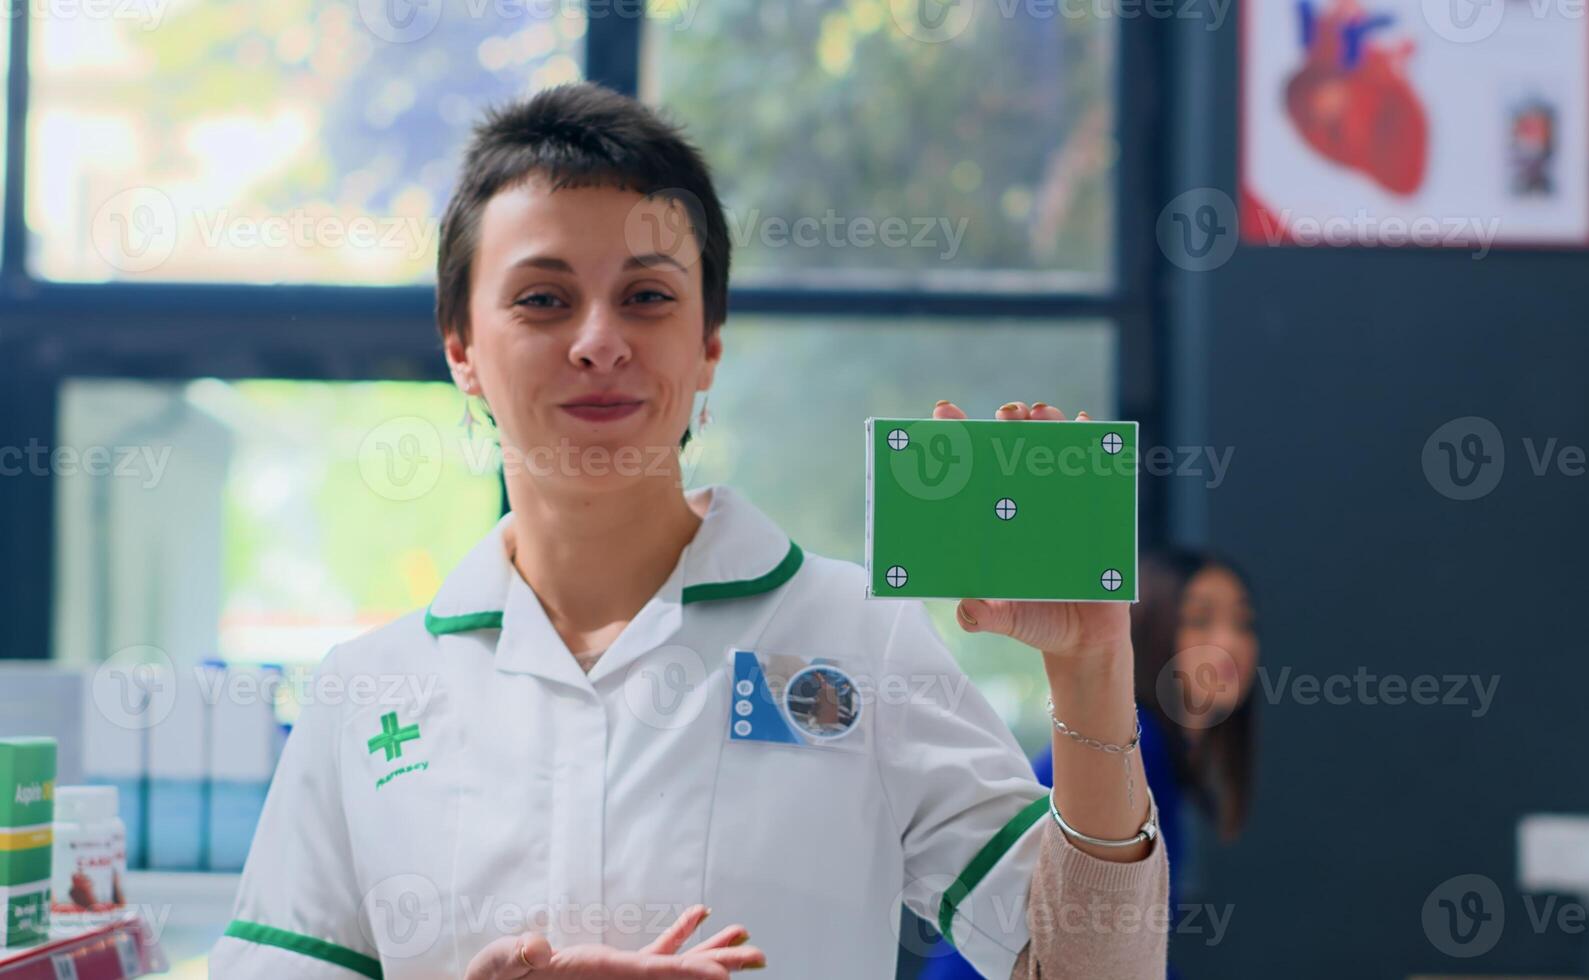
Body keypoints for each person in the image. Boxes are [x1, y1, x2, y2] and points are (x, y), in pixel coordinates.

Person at [209, 82, 1169, 980]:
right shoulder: (367, 694)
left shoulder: (856, 642)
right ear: (461, 347)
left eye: (647, 296)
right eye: (542, 299)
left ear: (708, 343)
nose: (599, 341)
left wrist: (1091, 673)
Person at [919, 550, 1260, 979]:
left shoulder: (1156, 755)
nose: (1229, 643)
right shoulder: (1128, 749)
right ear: (1149, 623)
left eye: (1243, 624)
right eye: (1200, 620)